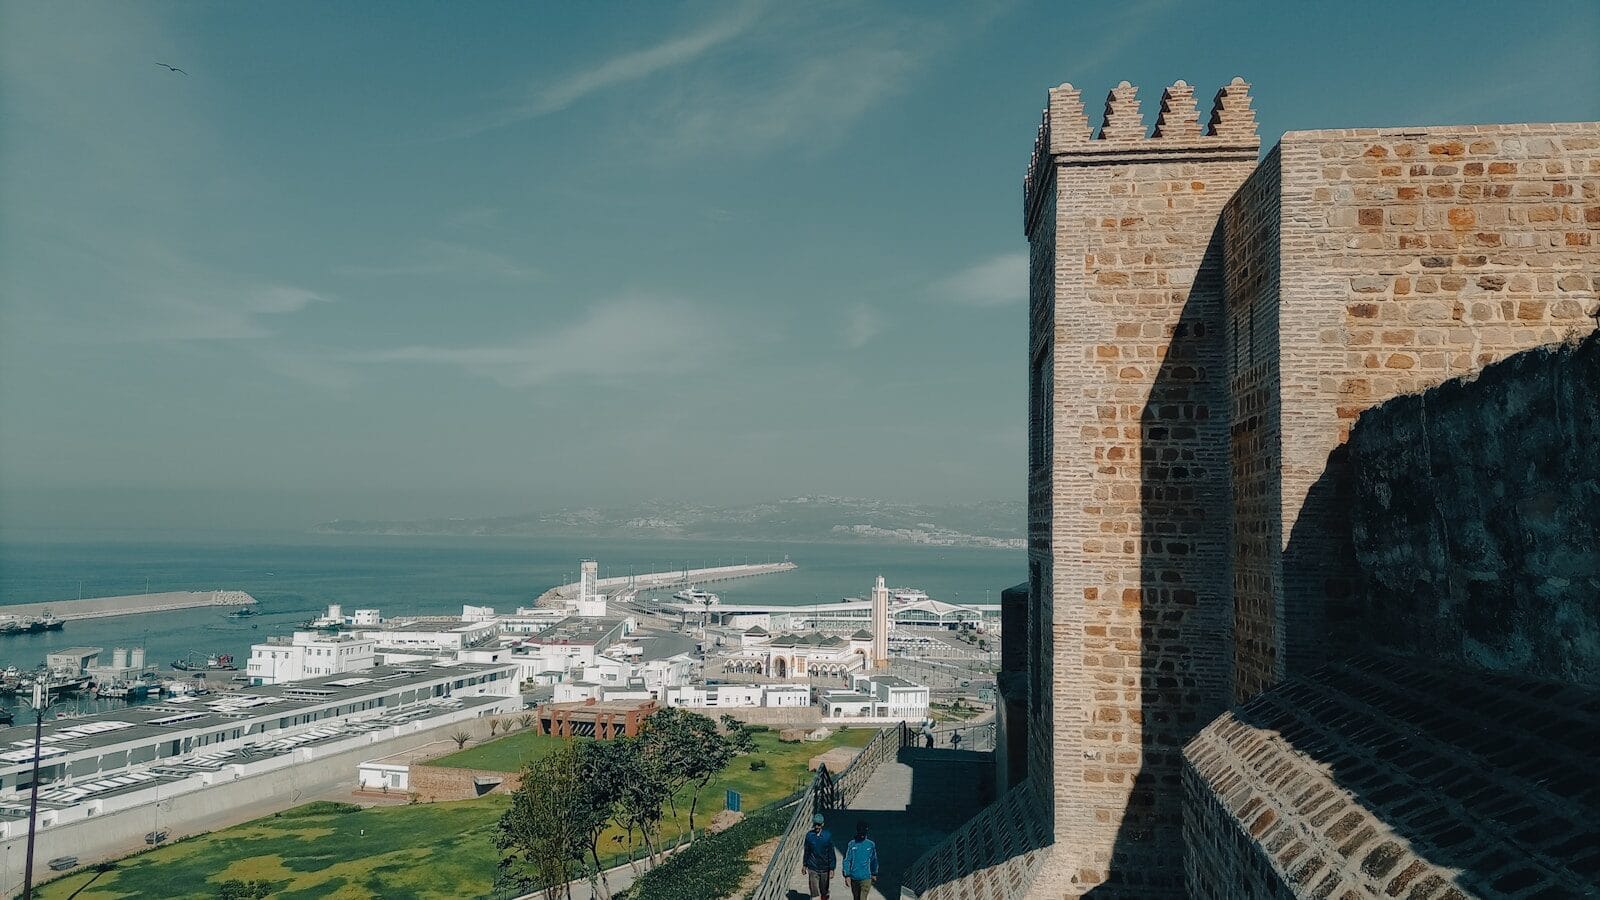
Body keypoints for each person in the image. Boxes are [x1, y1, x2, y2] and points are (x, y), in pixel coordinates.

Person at [802, 812, 836, 900]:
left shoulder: (827, 836)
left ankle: (825, 896)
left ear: (822, 824)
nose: (817, 827)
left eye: (819, 825)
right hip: (813, 867)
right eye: (815, 824)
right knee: (814, 892)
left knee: (824, 890)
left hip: (825, 868)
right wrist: (804, 865)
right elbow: (807, 851)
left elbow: (831, 853)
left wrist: (832, 868)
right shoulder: (809, 836)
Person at [842, 820, 879, 900]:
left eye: (864, 833)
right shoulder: (852, 844)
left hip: (866, 878)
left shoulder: (870, 845)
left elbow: (874, 860)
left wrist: (874, 873)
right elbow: (847, 860)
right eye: (860, 833)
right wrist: (847, 875)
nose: (862, 835)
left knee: (863, 898)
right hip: (854, 877)